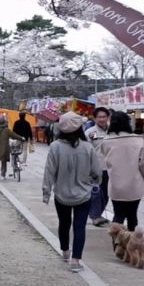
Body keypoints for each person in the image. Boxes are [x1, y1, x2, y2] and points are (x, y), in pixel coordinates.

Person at [43, 112, 102, 273]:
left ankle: (65, 250)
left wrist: (46, 192)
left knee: (64, 223)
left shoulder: (55, 147)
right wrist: (96, 182)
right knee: (79, 226)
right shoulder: (88, 147)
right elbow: (97, 171)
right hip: (83, 194)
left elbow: (49, 171)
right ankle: (76, 260)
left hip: (61, 194)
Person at [99, 111, 144, 231]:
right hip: (135, 185)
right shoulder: (138, 140)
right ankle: (132, 245)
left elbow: (105, 162)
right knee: (132, 215)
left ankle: (117, 245)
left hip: (116, 185)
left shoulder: (106, 141)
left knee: (118, 214)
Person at [84, 107, 112, 227]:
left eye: (104, 116)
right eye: (99, 117)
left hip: (110, 168)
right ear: (95, 118)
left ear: (107, 117)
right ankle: (95, 216)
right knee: (96, 193)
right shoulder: (91, 132)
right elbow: (86, 150)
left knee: (106, 194)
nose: (102, 119)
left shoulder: (112, 131)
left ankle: (98, 214)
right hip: (96, 168)